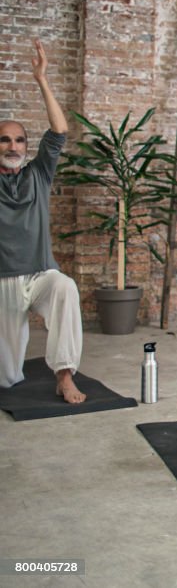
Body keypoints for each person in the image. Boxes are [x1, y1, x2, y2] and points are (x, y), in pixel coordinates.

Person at [0, 40, 85, 403]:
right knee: (7, 378)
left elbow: (60, 130)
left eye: (20, 140)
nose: (14, 146)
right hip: (2, 280)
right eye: (5, 140)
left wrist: (42, 79)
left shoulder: (38, 173)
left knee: (65, 286)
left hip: (39, 275)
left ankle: (64, 376)